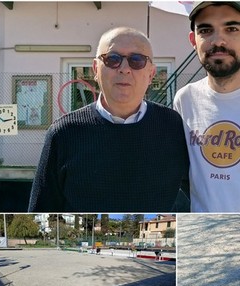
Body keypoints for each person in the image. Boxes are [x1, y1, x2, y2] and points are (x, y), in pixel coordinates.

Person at [28, 26, 189, 212]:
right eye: (113, 59)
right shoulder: (64, 133)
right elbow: (40, 209)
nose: (124, 69)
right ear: (96, 69)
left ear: (151, 74)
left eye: (136, 60)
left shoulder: (173, 126)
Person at [173, 2, 240, 212]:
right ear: (193, 40)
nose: (218, 41)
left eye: (232, 29)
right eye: (205, 30)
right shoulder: (185, 100)